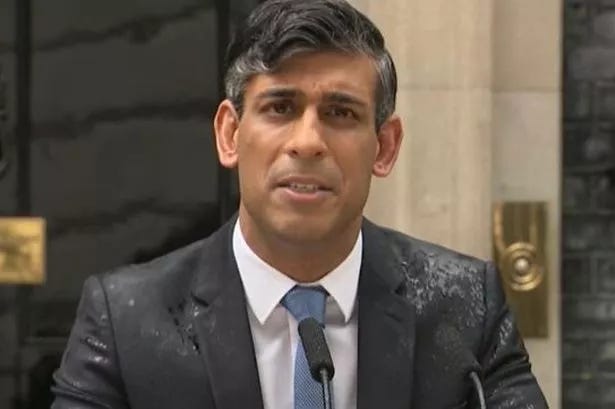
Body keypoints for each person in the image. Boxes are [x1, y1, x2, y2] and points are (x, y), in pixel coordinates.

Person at [51, 0, 548, 408]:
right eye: (280, 108)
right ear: (229, 135)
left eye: (340, 112)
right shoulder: (127, 320)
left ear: (385, 146)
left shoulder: (464, 308)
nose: (307, 142)